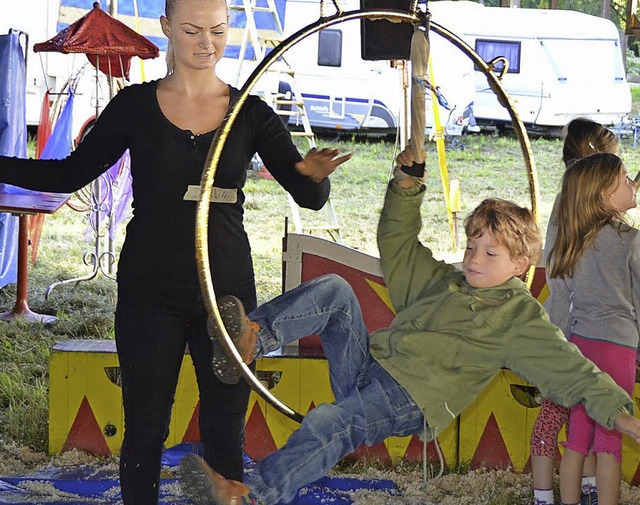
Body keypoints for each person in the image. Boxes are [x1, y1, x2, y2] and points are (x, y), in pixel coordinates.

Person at [0, 0, 351, 503]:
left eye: (218, 31)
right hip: (150, 288)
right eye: (191, 31)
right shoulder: (135, 107)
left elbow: (309, 197)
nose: (207, 44)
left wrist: (315, 179)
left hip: (225, 294)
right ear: (166, 27)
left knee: (225, 432)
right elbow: (67, 174)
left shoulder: (249, 112)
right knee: (144, 426)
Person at [177, 148, 640, 505]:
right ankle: (252, 340)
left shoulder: (519, 317)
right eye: (472, 247)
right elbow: (397, 242)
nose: (474, 260)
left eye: (490, 254)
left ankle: (251, 495)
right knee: (336, 289)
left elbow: (575, 373)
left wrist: (625, 419)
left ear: (522, 264)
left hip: (409, 398)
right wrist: (405, 184)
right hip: (369, 369)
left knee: (332, 422)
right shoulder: (447, 282)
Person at [530, 118, 620, 505]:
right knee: (573, 418)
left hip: (568, 330)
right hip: (576, 332)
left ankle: (564, 492)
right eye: (616, 167)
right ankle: (550, 494)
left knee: (578, 422)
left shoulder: (570, 202)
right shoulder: (584, 210)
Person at [544, 152, 639, 505]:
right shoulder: (631, 240)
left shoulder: (573, 240)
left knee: (577, 442)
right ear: (604, 196)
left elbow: (561, 302)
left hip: (580, 346)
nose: (632, 184)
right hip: (618, 348)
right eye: (625, 178)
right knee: (610, 441)